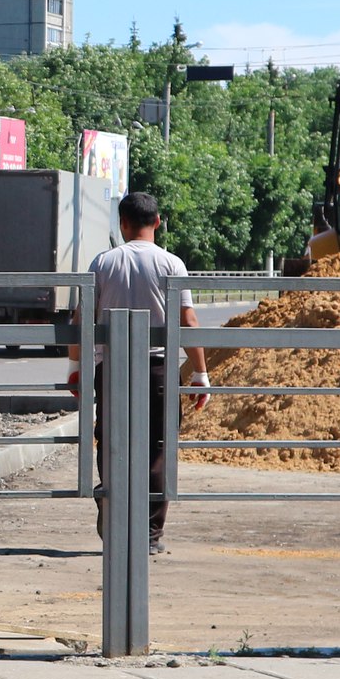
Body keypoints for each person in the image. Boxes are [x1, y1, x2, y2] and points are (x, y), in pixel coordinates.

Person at [76, 191, 211, 556]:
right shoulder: (172, 265)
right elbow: (188, 321)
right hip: (158, 371)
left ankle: (113, 518)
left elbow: (82, 321)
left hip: (112, 368)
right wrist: (200, 374)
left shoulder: (102, 264)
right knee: (158, 449)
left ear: (122, 224)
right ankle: (150, 535)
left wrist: (77, 369)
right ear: (158, 221)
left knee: (110, 444)